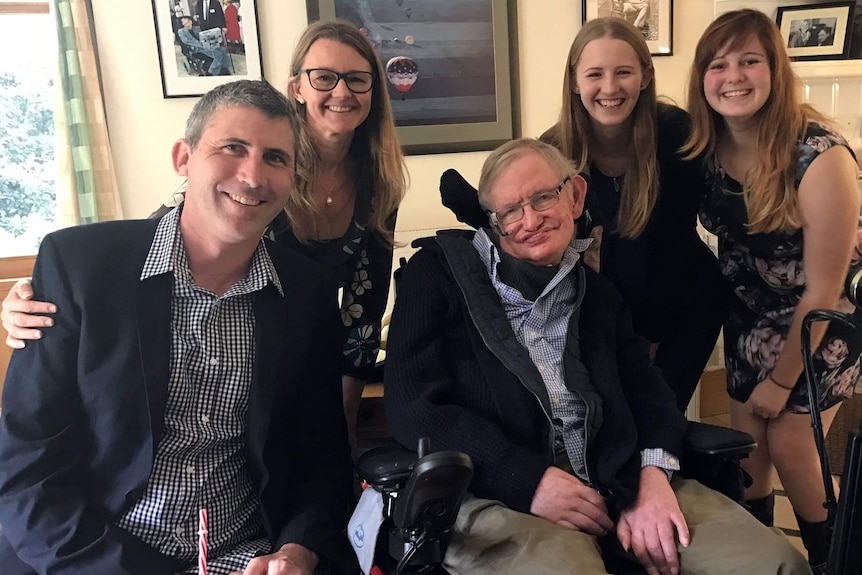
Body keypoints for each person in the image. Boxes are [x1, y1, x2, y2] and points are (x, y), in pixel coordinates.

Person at [385, 137, 810, 575]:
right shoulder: (434, 279)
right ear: (495, 223)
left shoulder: (597, 294)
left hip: (618, 481)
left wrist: (653, 478)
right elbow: (413, 408)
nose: (530, 220)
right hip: (497, 492)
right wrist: (528, 480)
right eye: (510, 212)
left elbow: (650, 394)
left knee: (776, 564)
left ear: (574, 196)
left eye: (543, 197)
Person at [1, 20, 407, 457]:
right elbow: (159, 238)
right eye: (324, 77)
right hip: (236, 344)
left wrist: (342, 426)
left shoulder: (379, 181)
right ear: (297, 87)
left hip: (307, 353)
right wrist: (45, 297)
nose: (342, 92)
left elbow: (363, 314)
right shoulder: (260, 170)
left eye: (358, 79)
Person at [0, 80, 355, 575]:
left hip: (245, 555)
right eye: (233, 148)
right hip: (94, 556)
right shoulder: (80, 266)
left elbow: (321, 452)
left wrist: (298, 551)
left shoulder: (305, 290)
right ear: (183, 158)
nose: (252, 176)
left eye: (275, 158)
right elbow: (25, 467)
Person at [441, 17, 726, 412]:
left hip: (685, 307)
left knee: (659, 426)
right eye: (595, 74)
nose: (609, 88)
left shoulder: (679, 135)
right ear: (575, 80)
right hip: (602, 318)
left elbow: (681, 241)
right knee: (610, 431)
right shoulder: (553, 152)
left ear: (645, 75)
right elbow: (528, 236)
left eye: (623, 72)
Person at [683, 9, 862, 573]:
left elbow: (826, 292)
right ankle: (762, 561)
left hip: (822, 323)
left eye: (749, 61)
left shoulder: (820, 155)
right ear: (702, 78)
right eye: (718, 64)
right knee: (747, 454)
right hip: (749, 321)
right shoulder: (705, 149)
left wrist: (781, 382)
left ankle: (832, 561)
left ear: (774, 69)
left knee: (788, 441)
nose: (733, 76)